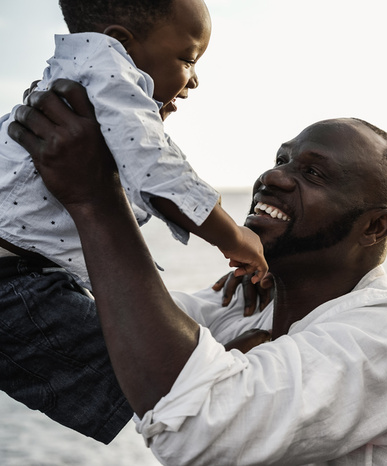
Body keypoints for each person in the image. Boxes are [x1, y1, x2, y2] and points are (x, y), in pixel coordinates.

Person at [8, 79, 387, 465]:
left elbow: (198, 426)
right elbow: (89, 334)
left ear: (374, 227)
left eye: (314, 174)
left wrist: (96, 198)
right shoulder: (240, 308)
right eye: (282, 159)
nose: (274, 176)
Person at [0, 0, 268, 444]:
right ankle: (209, 376)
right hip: (11, 279)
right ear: (122, 42)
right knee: (119, 365)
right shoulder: (110, 69)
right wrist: (235, 237)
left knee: (103, 334)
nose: (194, 79)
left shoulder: (79, 71)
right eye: (187, 58)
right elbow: (160, 174)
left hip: (19, 264)